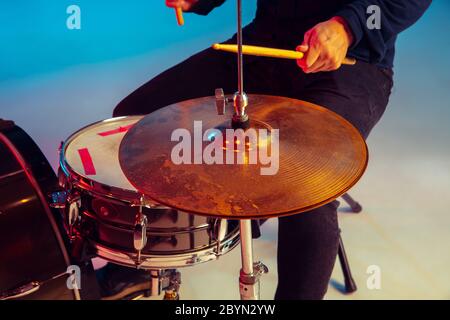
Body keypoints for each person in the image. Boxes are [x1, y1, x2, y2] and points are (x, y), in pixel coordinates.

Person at [98, 0, 431, 300]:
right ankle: (134, 268)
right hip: (264, 45)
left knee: (306, 181)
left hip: (352, 62)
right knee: (133, 124)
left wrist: (348, 26)